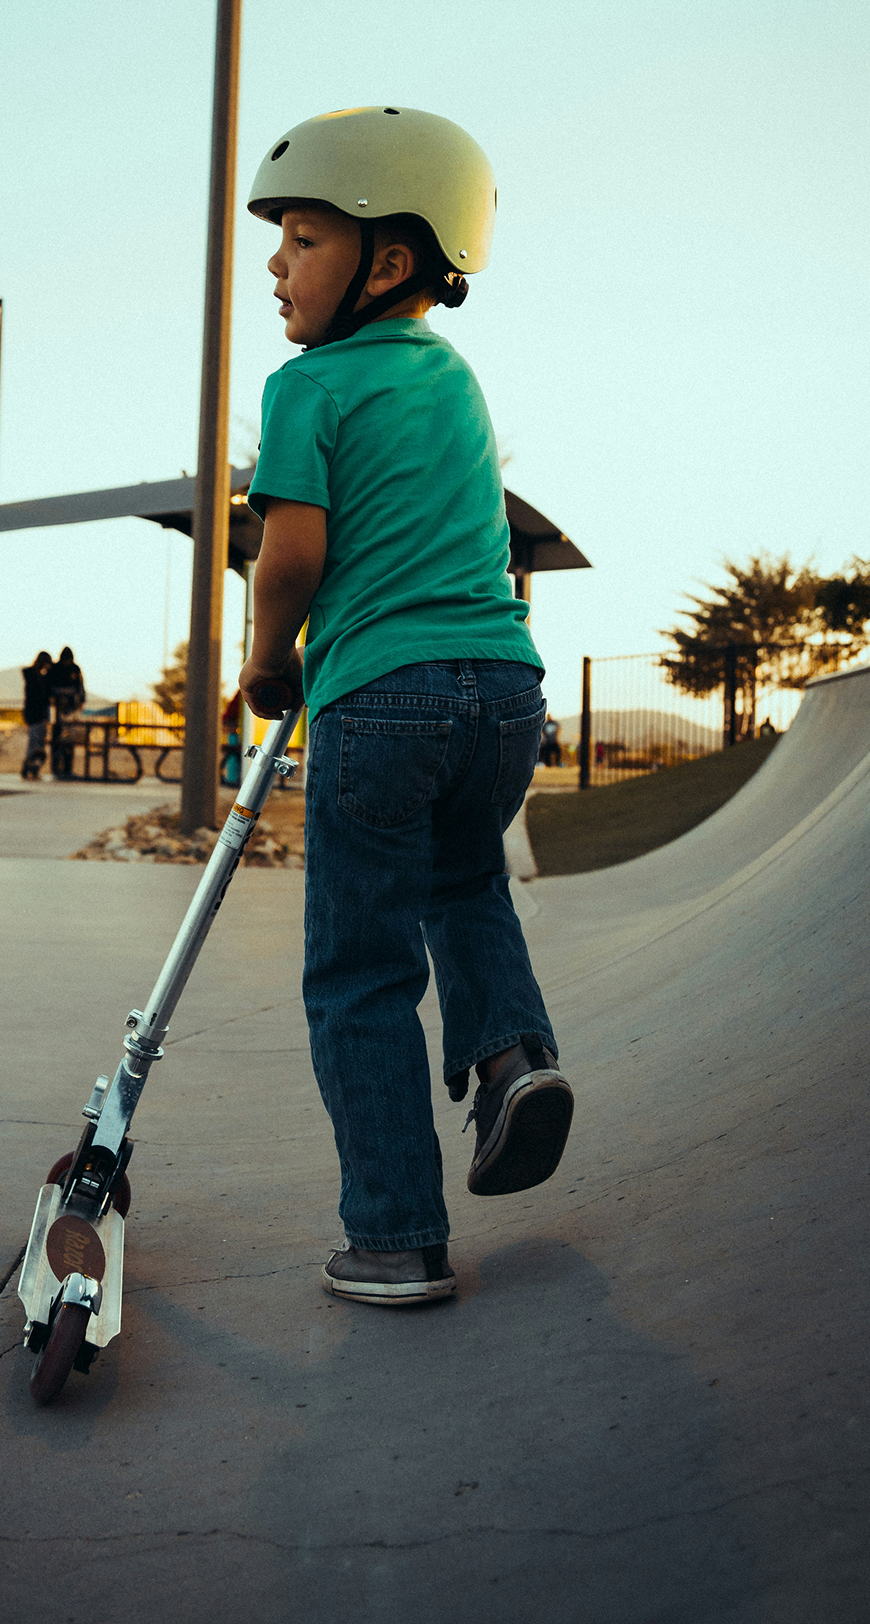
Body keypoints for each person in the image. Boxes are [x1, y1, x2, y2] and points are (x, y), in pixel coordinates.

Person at [238, 106, 573, 1308]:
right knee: (466, 881)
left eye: (303, 238)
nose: (274, 263)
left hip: (380, 696)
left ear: (387, 260)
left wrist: (267, 658)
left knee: (360, 975)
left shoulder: (307, 384)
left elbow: (288, 556)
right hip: (505, 688)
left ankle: (395, 1236)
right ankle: (512, 1058)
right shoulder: (457, 382)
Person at [47, 646, 86, 780]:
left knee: (70, 740)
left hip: (72, 710)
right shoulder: (55, 669)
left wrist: (81, 701)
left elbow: (81, 686)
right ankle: (56, 769)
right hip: (58, 711)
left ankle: (68, 769)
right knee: (58, 740)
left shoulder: (75, 669)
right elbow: (50, 688)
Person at [21, 650, 53, 780]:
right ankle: (30, 766)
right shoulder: (37, 679)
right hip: (37, 714)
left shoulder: (32, 676)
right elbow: (41, 697)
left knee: (35, 743)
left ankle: (31, 767)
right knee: (36, 744)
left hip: (34, 714)